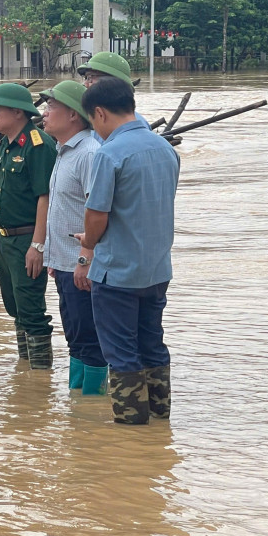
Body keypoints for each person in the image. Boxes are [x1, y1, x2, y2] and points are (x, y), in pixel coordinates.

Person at [78, 77, 180, 425]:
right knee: (152, 345)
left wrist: (87, 243)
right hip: (156, 269)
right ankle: (159, 421)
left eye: (92, 121)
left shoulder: (109, 154)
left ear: (100, 113)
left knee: (121, 354)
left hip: (117, 272)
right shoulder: (164, 148)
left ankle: (132, 430)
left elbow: (97, 216)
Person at [38, 80, 108, 394]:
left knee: (90, 340)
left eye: (52, 106)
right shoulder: (64, 151)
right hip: (65, 263)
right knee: (75, 338)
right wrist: (53, 256)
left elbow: (98, 212)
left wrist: (85, 259)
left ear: (73, 116)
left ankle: (91, 409)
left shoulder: (89, 154)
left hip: (82, 266)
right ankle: (76, 405)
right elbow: (64, 209)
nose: (44, 112)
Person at [0, 82, 57, 368]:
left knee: (31, 311)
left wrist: (38, 246)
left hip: (27, 239)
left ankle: (40, 378)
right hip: (5, 240)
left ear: (17, 112)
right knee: (15, 307)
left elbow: (45, 198)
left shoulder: (38, 145)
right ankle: (25, 373)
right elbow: (3, 197)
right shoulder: (7, 144)